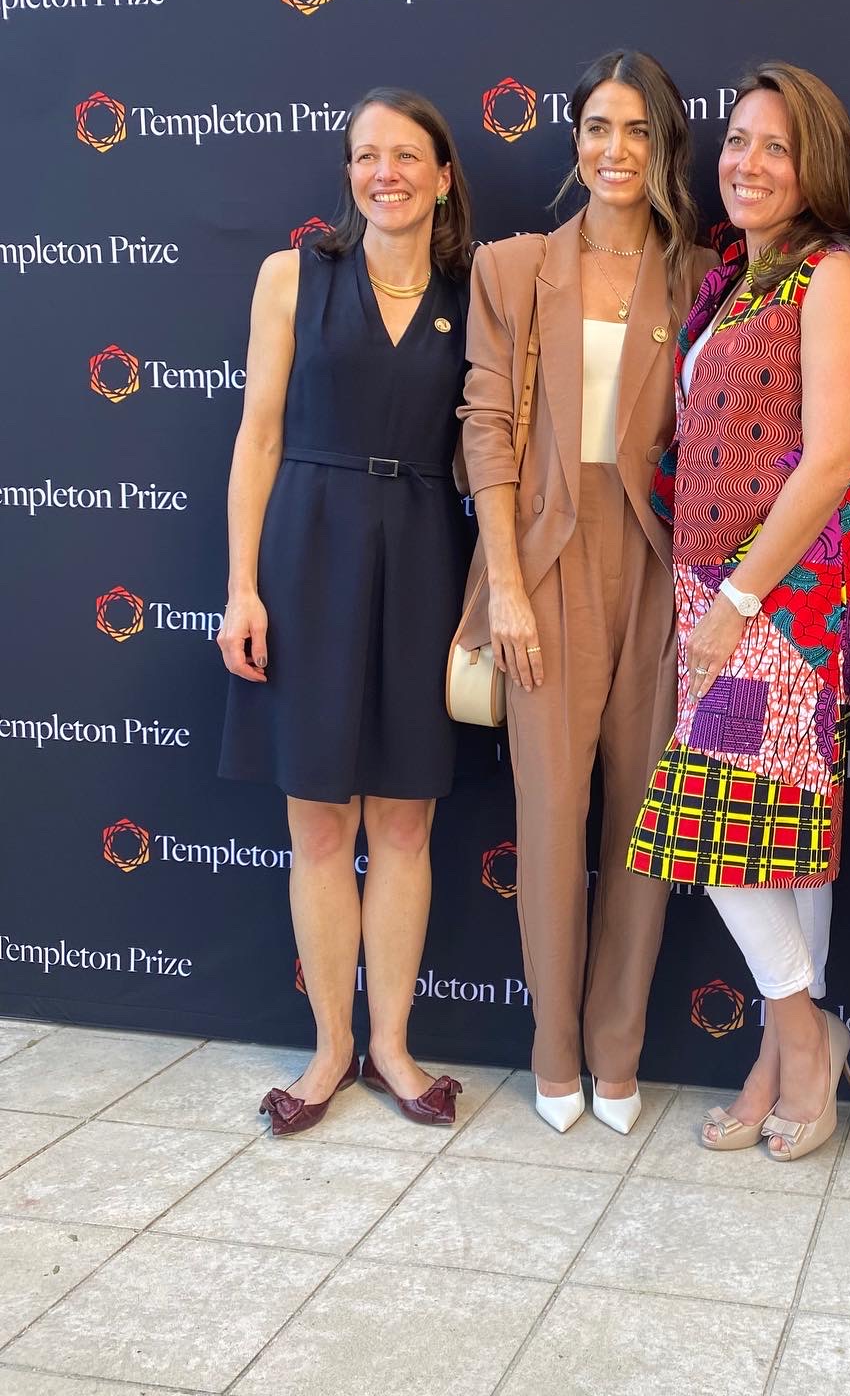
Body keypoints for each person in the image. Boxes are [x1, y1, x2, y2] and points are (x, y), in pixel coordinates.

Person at [458, 51, 714, 1136]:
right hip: (547, 561)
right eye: (600, 127)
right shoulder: (514, 268)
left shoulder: (705, 274)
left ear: (667, 148)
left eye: (640, 130)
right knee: (551, 816)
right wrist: (505, 587)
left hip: (661, 566)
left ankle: (619, 1050)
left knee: (642, 823)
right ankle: (552, 1050)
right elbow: (489, 428)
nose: (617, 150)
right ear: (574, 140)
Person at [627, 62, 850, 1163]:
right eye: (737, 140)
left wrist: (736, 597)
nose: (748, 162)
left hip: (787, 594)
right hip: (714, 589)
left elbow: (830, 461)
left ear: (814, 164)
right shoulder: (731, 281)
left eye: (776, 146)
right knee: (780, 843)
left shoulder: (833, 274)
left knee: (725, 833)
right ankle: (791, 1055)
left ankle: (799, 1033)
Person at [218, 88, 473, 1135]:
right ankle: (328, 1048)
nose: (386, 174)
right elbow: (259, 438)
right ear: (349, 171)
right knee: (318, 821)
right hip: (308, 548)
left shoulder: (480, 289)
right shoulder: (291, 276)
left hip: (423, 548)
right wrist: (241, 586)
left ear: (444, 174)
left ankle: (393, 1047)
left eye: (407, 155)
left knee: (406, 818)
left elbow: (492, 445)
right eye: (367, 155)